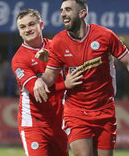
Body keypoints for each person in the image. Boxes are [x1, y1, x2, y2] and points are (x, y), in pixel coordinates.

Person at [33, 0, 129, 156]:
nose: (63, 14)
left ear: (82, 13)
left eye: (68, 9)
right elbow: (50, 74)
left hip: (105, 109)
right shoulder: (58, 42)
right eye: (61, 10)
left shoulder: (105, 36)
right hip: (75, 110)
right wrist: (40, 81)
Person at [11, 9, 81, 156]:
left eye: (31, 24)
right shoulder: (19, 59)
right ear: (19, 32)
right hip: (34, 123)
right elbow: (37, 90)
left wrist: (54, 58)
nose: (28, 29)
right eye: (22, 27)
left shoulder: (57, 47)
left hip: (60, 121)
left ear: (41, 25)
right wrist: (65, 85)